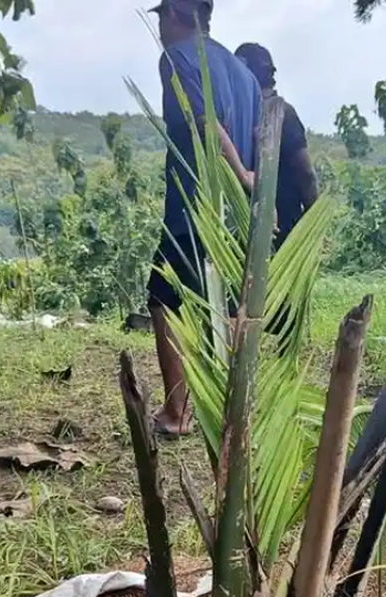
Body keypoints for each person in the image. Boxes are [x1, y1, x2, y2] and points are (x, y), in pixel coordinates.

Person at [147, 0, 261, 437]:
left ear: (175, 13)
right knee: (228, 306)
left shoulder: (177, 58)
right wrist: (254, 185)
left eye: (161, 15)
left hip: (195, 207)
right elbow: (259, 136)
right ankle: (234, 413)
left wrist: (240, 174)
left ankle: (178, 413)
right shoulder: (244, 73)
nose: (160, 25)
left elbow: (204, 124)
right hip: (236, 216)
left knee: (164, 297)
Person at [235, 42, 319, 350]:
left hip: (269, 223)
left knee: (256, 302)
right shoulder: (271, 113)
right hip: (271, 223)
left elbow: (305, 173)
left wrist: (313, 223)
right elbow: (306, 174)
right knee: (280, 308)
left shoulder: (265, 114)